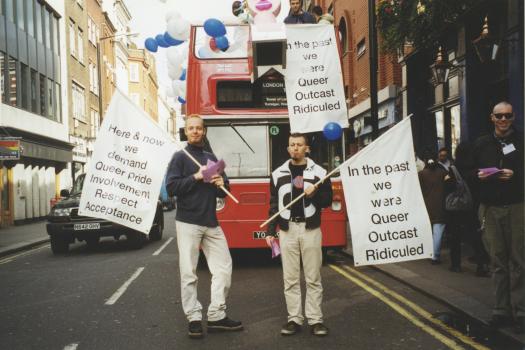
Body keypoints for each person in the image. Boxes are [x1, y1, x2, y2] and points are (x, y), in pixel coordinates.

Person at [166, 114, 243, 339]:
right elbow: (171, 188)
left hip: (211, 222)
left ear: (204, 131)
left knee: (223, 268)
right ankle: (194, 317)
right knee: (189, 272)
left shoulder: (210, 157)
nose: (195, 131)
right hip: (188, 222)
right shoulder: (180, 157)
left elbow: (224, 189)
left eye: (199, 128)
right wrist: (197, 176)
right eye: (191, 128)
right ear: (186, 131)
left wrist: (221, 183)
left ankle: (217, 314)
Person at [265, 133, 332, 337]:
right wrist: (270, 231)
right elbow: (275, 204)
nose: (295, 147)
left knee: (313, 277)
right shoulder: (277, 174)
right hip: (287, 230)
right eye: (292, 144)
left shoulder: (320, 172)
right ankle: (294, 319)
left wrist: (315, 194)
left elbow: (327, 200)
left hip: (310, 229)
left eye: (299, 144)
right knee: (290, 278)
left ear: (306, 149)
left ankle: (315, 320)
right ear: (288, 148)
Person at [472, 101, 524, 334]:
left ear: (513, 118)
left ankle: (521, 311)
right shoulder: (481, 143)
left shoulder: (522, 141)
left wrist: (517, 174)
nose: (503, 120)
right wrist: (478, 175)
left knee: (519, 260)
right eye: (499, 116)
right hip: (490, 209)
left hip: (517, 206)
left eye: (508, 116)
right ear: (492, 118)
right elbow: (466, 170)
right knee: (498, 260)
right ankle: (501, 310)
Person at [418, 158, 448, 264]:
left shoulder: (421, 174)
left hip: (426, 205)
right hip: (440, 205)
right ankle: (435, 256)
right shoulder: (443, 173)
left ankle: (427, 252)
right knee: (437, 232)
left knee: (427, 231)